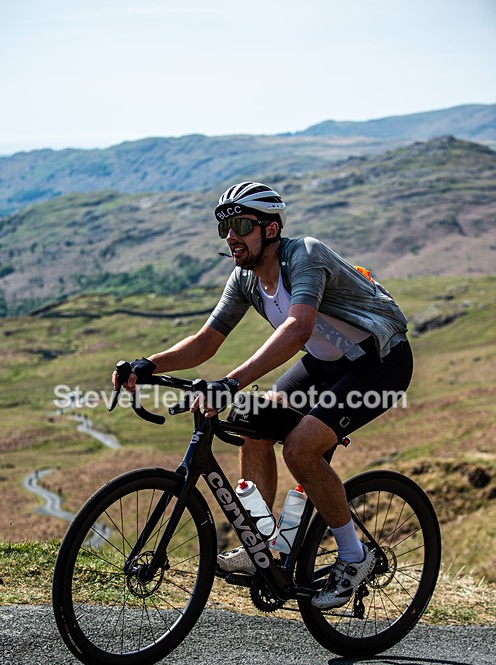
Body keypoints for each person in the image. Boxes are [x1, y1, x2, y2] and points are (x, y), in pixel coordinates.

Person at [113, 181, 413, 610]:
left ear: (271, 229)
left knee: (300, 449)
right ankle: (264, 549)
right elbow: (206, 341)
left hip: (377, 364)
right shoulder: (245, 279)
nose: (231, 236)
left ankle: (354, 555)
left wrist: (231, 383)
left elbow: (298, 328)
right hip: (324, 364)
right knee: (254, 427)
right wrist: (149, 364)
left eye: (240, 225)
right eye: (225, 229)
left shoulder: (304, 255)